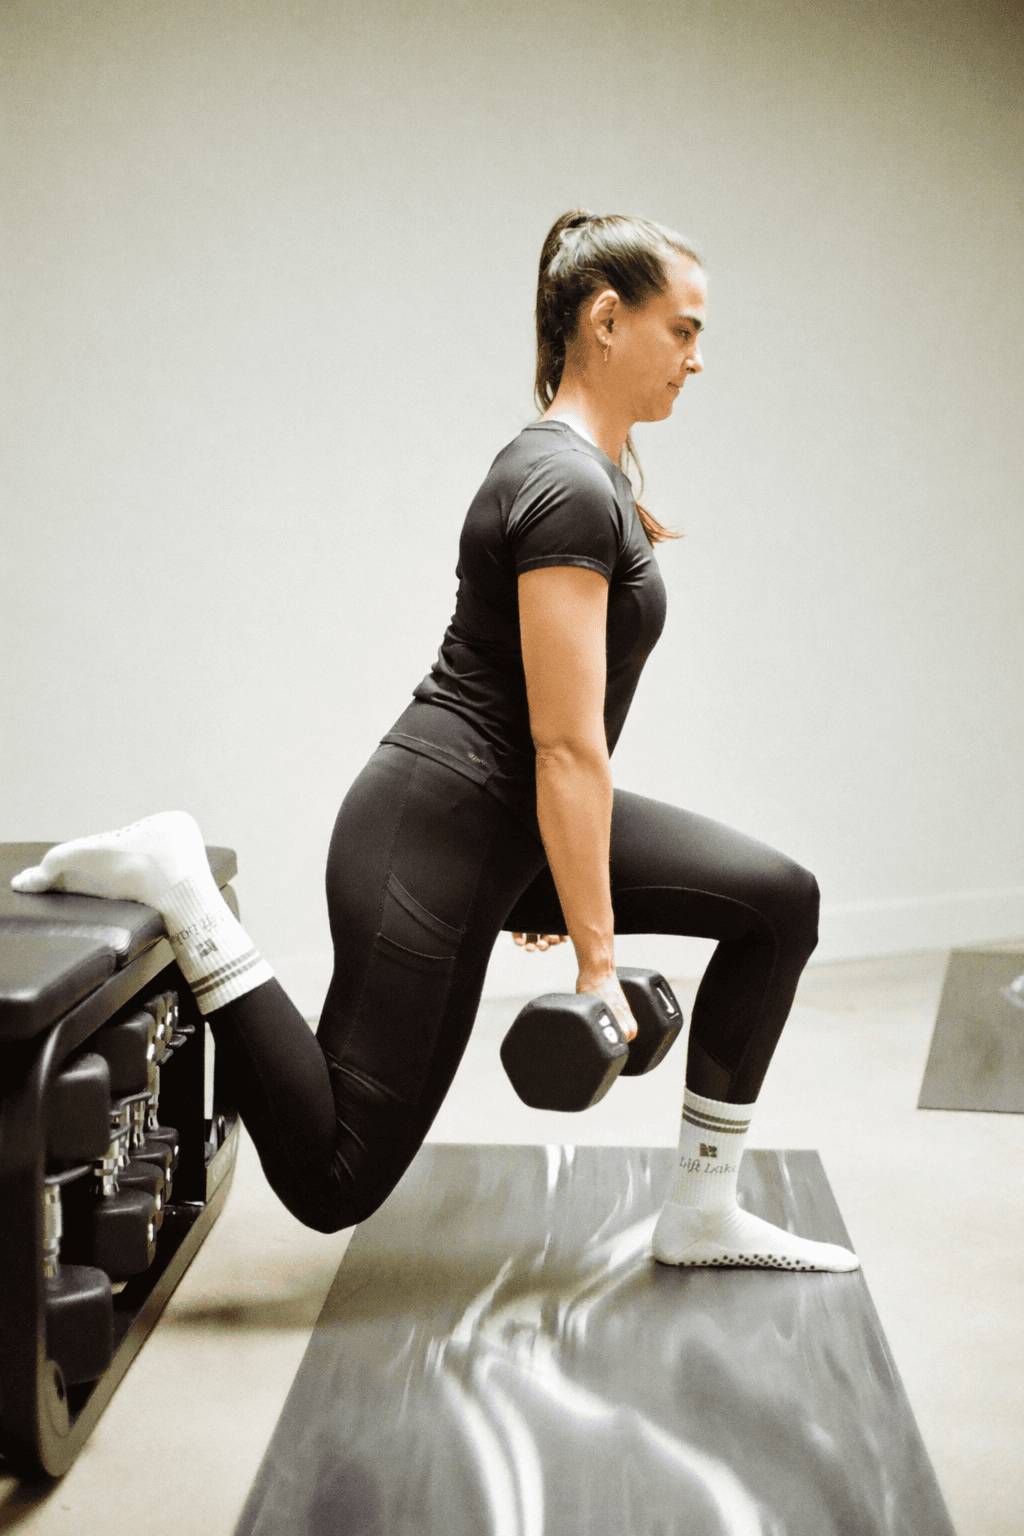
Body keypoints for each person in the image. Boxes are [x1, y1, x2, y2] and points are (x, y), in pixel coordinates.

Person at [13, 211, 856, 1272]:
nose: (698, 357)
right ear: (606, 320)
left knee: (777, 904)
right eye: (680, 330)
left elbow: (557, 758)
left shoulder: (591, 478)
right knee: (334, 1180)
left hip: (500, 824)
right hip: (435, 832)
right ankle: (188, 894)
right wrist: (599, 962)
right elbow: (561, 747)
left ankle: (700, 1211)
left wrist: (555, 878)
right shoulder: (560, 488)